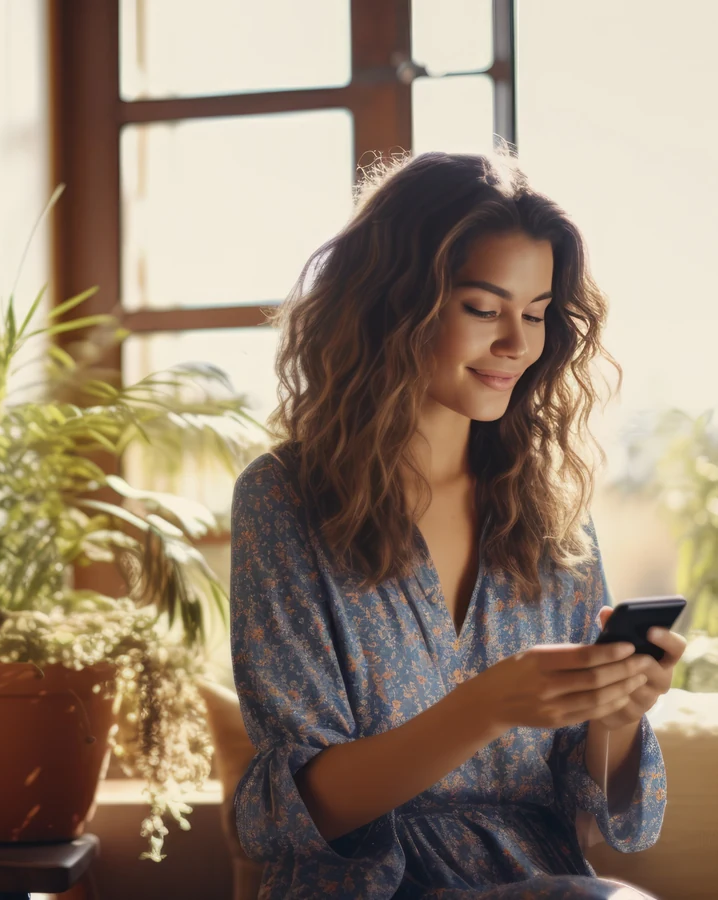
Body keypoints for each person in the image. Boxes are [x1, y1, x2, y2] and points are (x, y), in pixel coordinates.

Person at [229, 148, 685, 899]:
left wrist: (618, 715)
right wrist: (485, 706)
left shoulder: (549, 513)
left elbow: (598, 819)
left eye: (536, 314)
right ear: (393, 303)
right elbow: (303, 806)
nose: (517, 343)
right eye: (483, 309)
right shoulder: (286, 499)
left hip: (543, 881)